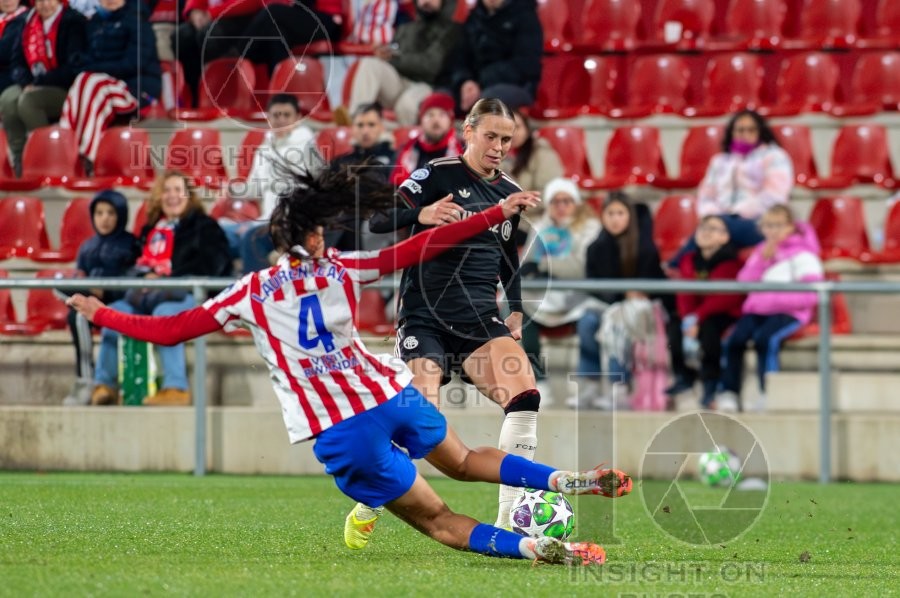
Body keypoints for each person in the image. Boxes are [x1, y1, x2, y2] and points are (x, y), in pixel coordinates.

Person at [66, 166, 631, 566]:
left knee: (439, 520)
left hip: (341, 429)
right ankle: (567, 480)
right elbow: (416, 249)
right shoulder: (338, 267)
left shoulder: (250, 292)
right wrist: (491, 214)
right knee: (463, 460)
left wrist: (102, 313)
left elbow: (171, 328)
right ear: (314, 235)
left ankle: (535, 547)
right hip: (391, 397)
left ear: (276, 239)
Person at [363, 97, 542, 537]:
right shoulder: (435, 174)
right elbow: (378, 218)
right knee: (420, 420)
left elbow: (507, 257)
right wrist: (419, 214)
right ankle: (371, 497)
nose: (499, 146)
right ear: (469, 131)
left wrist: (515, 306)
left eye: (506, 139)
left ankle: (509, 519)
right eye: (491, 136)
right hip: (425, 316)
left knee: (525, 395)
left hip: (480, 319)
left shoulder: (508, 192)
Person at [89, 171, 232, 407]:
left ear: (189, 196)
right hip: (145, 294)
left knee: (166, 313)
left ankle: (176, 387)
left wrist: (170, 279)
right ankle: (105, 385)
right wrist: (144, 277)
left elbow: (214, 264)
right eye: (166, 190)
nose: (172, 196)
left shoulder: (205, 227)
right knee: (113, 312)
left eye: (178, 190)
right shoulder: (150, 230)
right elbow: (133, 264)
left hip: (184, 294)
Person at [718, 205, 824, 413]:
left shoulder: (804, 255)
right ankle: (729, 392)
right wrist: (763, 261)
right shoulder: (760, 252)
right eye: (767, 225)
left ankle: (768, 392)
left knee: (766, 340)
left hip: (789, 312)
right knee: (734, 340)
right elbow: (745, 281)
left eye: (778, 225)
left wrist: (773, 300)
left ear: (790, 227)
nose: (772, 231)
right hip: (758, 310)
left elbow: (811, 294)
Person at [574, 192, 674, 410]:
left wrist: (634, 293)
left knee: (617, 325)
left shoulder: (645, 247)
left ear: (629, 216)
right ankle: (590, 384)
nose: (615, 219)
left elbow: (652, 284)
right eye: (610, 213)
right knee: (587, 322)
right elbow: (594, 286)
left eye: (620, 213)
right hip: (607, 304)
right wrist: (622, 294)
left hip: (639, 310)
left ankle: (618, 386)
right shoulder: (595, 248)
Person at [668, 109, 794, 270]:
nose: (745, 134)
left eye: (751, 130)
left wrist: (736, 214)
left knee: (711, 231)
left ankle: (674, 268)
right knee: (714, 231)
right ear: (732, 132)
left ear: (760, 132)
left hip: (759, 222)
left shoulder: (775, 157)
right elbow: (706, 194)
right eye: (740, 130)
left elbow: (774, 196)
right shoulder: (720, 160)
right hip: (724, 220)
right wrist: (713, 217)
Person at [519, 177, 601, 406]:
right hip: (543, 296)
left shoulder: (590, 228)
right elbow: (526, 263)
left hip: (578, 296)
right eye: (556, 202)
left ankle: (586, 387)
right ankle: (539, 380)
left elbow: (581, 267)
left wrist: (543, 265)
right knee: (519, 311)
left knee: (589, 321)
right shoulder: (541, 228)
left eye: (567, 201)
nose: (561, 207)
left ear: (576, 203)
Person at [59, 0, 161, 171]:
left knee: (92, 81)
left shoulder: (138, 21)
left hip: (137, 89)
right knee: (84, 80)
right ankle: (68, 150)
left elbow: (133, 63)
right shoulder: (93, 23)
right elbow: (86, 60)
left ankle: (86, 156)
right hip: (103, 86)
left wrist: (95, 68)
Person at [62, 190, 139, 406]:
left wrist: (105, 292)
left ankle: (89, 380)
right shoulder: (87, 246)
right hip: (88, 298)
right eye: (99, 213)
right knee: (73, 311)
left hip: (115, 299)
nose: (104, 218)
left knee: (78, 314)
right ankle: (85, 378)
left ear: (121, 216)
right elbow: (80, 273)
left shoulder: (131, 244)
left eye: (110, 213)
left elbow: (133, 280)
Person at [234, 94, 321, 274]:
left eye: (286, 115)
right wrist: (228, 189)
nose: (281, 120)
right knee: (222, 233)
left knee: (252, 238)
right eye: (276, 115)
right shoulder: (264, 149)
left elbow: (318, 179)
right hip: (266, 220)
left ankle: (257, 295)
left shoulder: (308, 146)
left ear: (297, 118)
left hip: (292, 222)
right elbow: (255, 188)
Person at [0, 0, 87, 176]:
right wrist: (26, 83)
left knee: (29, 102)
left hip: (65, 88)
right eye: (40, 0)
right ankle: (19, 159)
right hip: (33, 83)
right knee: (8, 99)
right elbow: (17, 62)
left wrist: (39, 83)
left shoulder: (73, 21)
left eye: (49, 0)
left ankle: (48, 155)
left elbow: (74, 67)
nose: (44, 5)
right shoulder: (27, 21)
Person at [341, 0, 461, 126]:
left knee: (406, 105)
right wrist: (384, 53)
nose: (426, 1)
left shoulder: (451, 30)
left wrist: (393, 59)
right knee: (369, 64)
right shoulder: (405, 27)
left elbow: (430, 66)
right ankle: (356, 121)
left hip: (427, 85)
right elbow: (395, 53)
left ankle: (399, 140)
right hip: (399, 81)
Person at [674, 215, 745, 409]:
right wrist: (688, 318)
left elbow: (722, 298)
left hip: (722, 314)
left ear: (725, 236)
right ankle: (683, 378)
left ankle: (710, 383)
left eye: (713, 228)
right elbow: (685, 292)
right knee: (673, 324)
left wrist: (697, 318)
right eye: (703, 227)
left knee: (710, 328)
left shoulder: (731, 263)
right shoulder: (688, 260)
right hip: (695, 316)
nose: (705, 232)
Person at [445, 0, 542, 114]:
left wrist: (480, 83)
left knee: (487, 103)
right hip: (476, 85)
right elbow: (459, 58)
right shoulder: (473, 18)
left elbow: (527, 64)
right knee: (442, 99)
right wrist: (465, 82)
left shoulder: (525, 16)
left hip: (518, 86)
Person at [391, 91, 463, 185]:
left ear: (450, 121)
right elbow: (396, 185)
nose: (436, 120)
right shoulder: (408, 149)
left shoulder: (463, 151)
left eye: (442, 115)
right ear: (421, 121)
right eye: (430, 115)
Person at [501, 110, 563, 218]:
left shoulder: (542, 153)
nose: (512, 133)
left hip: (532, 219)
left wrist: (518, 206)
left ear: (527, 129)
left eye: (517, 127)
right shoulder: (494, 155)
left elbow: (552, 192)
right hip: (500, 218)